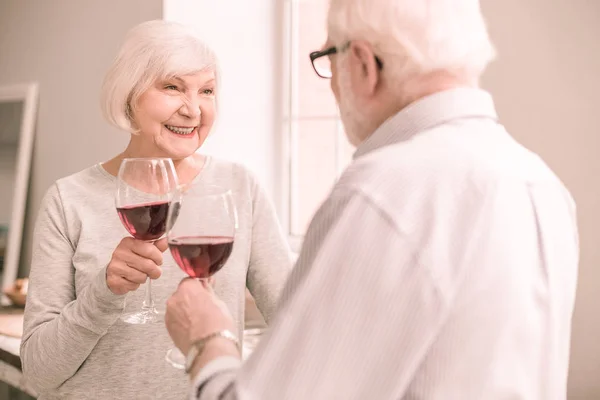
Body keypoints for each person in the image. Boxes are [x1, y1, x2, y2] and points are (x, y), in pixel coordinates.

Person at [165, 0, 580, 399]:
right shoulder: (542, 183)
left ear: (363, 64)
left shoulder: (383, 190)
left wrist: (206, 340)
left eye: (329, 58)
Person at [20, 20, 292, 400]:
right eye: (172, 87)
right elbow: (38, 371)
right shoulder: (69, 199)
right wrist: (104, 292)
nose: (193, 109)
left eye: (207, 91)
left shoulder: (239, 188)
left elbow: (298, 319)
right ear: (129, 95)